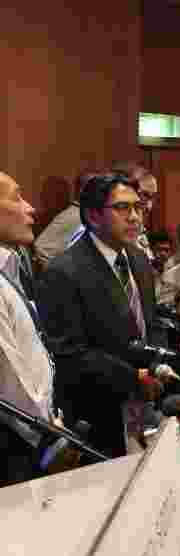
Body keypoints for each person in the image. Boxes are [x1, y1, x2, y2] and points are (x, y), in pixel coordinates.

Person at [38, 173, 170, 458]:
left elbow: (151, 321)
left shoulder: (137, 259)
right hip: (97, 409)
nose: (135, 217)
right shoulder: (64, 272)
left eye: (138, 207)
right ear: (94, 216)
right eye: (123, 208)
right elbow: (70, 353)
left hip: (145, 400)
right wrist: (134, 377)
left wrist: (158, 363)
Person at [0, 171, 60, 486]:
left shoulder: (10, 270)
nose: (30, 208)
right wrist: (51, 434)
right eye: (16, 197)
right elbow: (11, 383)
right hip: (17, 447)